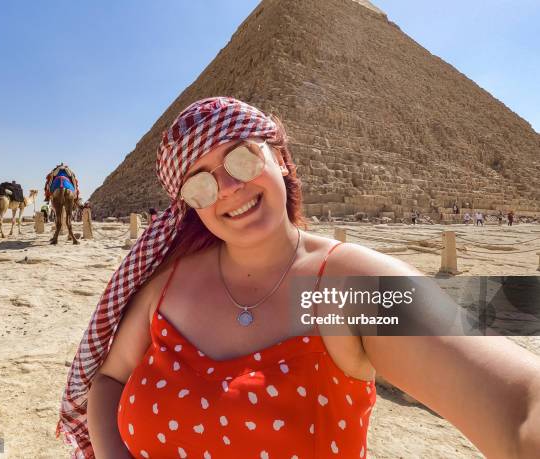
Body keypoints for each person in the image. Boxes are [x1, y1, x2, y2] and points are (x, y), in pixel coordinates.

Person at [56, 97, 540, 458]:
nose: (228, 189)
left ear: (280, 160)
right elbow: (110, 379)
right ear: (189, 205)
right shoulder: (170, 284)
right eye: (200, 183)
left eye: (241, 159)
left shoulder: (332, 290)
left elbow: (519, 407)